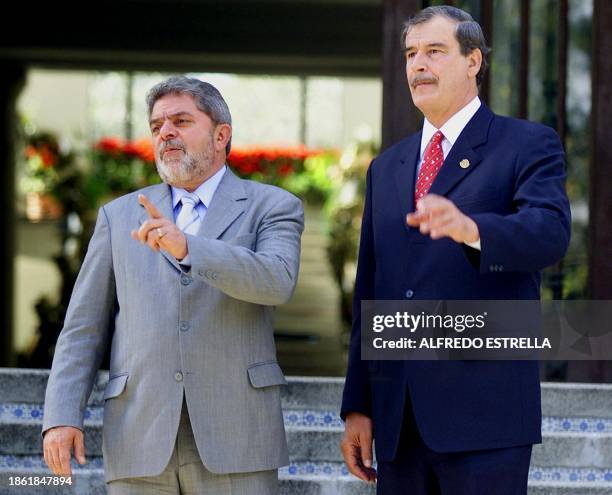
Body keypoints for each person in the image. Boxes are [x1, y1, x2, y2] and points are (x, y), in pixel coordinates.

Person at [340, 6, 571, 495]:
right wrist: (358, 404)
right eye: (411, 54)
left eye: (435, 51)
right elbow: (371, 293)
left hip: (485, 417)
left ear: (473, 61)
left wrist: (472, 229)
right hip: (399, 420)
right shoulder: (388, 167)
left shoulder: (526, 144)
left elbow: (549, 234)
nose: (418, 65)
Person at [42, 76, 304, 495]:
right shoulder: (119, 215)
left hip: (237, 436)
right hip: (138, 434)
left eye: (181, 121)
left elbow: (276, 280)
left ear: (222, 135)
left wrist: (189, 248)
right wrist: (60, 415)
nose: (166, 132)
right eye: (157, 125)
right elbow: (82, 329)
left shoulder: (271, 206)